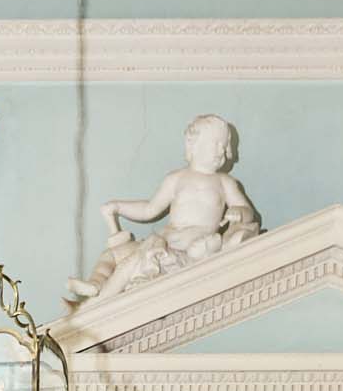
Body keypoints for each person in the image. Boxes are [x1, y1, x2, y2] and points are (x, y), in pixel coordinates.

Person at [66, 114, 260, 304]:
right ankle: (95, 284)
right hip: (163, 239)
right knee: (112, 255)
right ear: (193, 145)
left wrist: (240, 212)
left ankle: (99, 301)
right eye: (215, 143)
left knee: (131, 263)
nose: (222, 150)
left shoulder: (224, 182)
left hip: (188, 246)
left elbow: (246, 209)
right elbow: (149, 210)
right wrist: (119, 207)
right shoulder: (176, 178)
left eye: (224, 144)